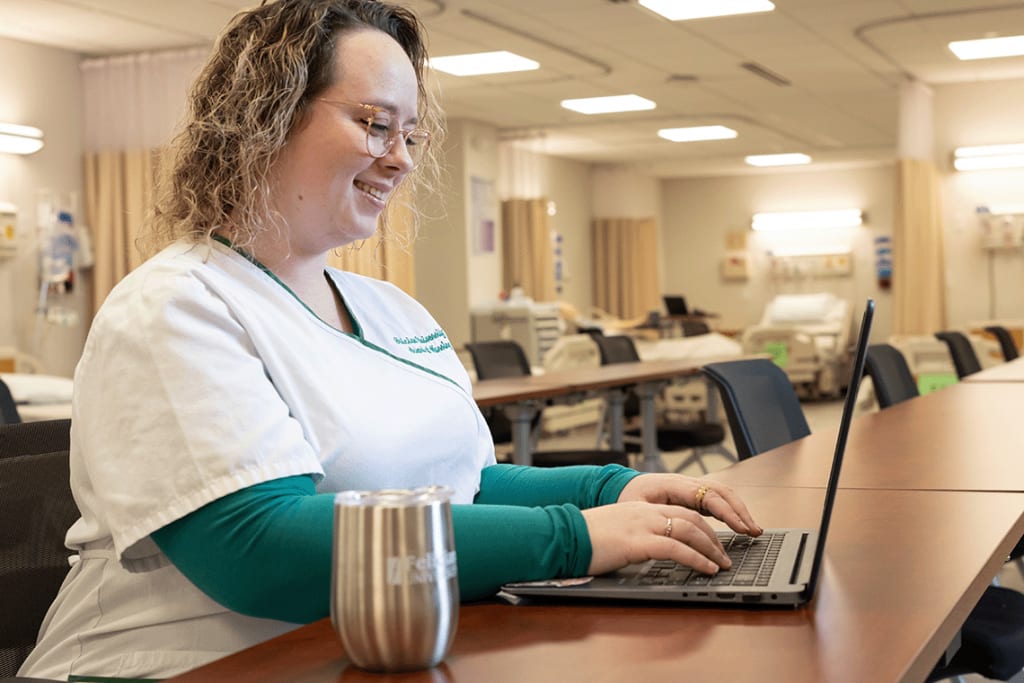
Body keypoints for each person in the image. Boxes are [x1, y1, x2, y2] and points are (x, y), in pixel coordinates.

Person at [19, 0, 761, 679]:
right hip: (186, 663)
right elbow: (257, 549)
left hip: (374, 648)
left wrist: (612, 487)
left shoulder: (392, 310)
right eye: (376, 124)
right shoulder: (175, 306)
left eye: (410, 133)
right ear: (265, 117)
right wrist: (577, 537)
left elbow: (462, 484)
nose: (402, 158)